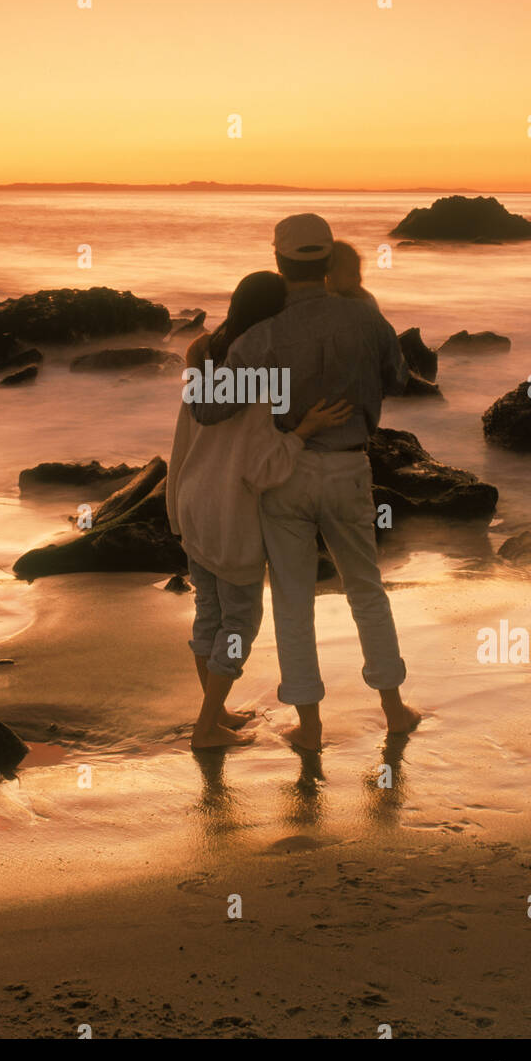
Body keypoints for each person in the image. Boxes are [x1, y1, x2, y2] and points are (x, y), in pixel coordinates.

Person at [189, 214, 420, 751]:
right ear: (326, 261)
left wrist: (196, 358)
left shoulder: (261, 337)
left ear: (279, 262)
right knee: (366, 589)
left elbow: (208, 409)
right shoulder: (366, 320)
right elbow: (400, 379)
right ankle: (393, 710)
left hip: (286, 472)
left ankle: (310, 727)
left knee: (294, 601)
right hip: (347, 467)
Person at [167, 270, 351, 750]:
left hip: (191, 501)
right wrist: (304, 432)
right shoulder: (264, 378)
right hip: (231, 514)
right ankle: (205, 729)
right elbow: (261, 470)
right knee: (240, 624)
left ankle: (216, 709)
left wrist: (173, 507)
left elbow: (181, 442)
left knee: (208, 612)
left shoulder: (203, 356)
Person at [326, 239, 379, 310]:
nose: (359, 279)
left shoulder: (365, 299)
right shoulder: (327, 303)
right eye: (352, 274)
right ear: (332, 275)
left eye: (358, 272)